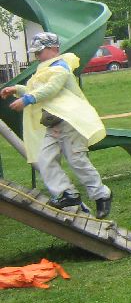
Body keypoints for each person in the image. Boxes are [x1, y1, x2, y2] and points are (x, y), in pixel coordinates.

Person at [0, 32, 112, 218]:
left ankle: (102, 195)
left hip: (70, 122)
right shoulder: (45, 69)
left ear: (53, 49)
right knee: (44, 159)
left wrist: (27, 100)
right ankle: (67, 193)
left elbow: (51, 89)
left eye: (39, 52)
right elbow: (37, 89)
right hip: (53, 125)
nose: (37, 56)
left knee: (77, 160)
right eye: (35, 53)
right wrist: (17, 90)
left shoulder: (60, 67)